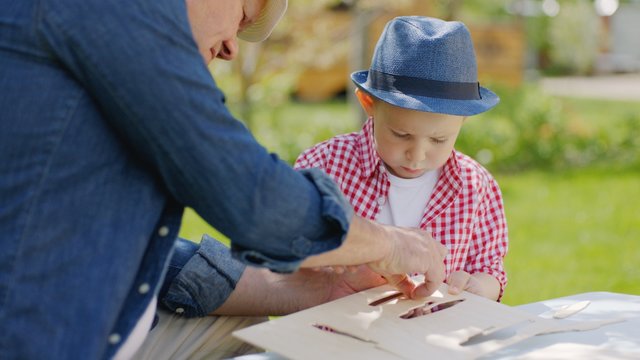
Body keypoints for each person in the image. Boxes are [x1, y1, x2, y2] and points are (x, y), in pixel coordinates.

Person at [0, 1, 447, 359]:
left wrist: (317, 289)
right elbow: (254, 200)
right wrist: (390, 244)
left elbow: (137, 252)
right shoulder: (120, 13)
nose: (233, 47)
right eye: (243, 14)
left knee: (239, 322)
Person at [295, 16, 509, 302]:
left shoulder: (475, 186)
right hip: (341, 333)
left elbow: (490, 270)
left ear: (464, 118)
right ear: (369, 104)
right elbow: (286, 252)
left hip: (433, 339)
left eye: (438, 140)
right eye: (400, 134)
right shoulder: (325, 167)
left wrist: (478, 287)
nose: (417, 155)